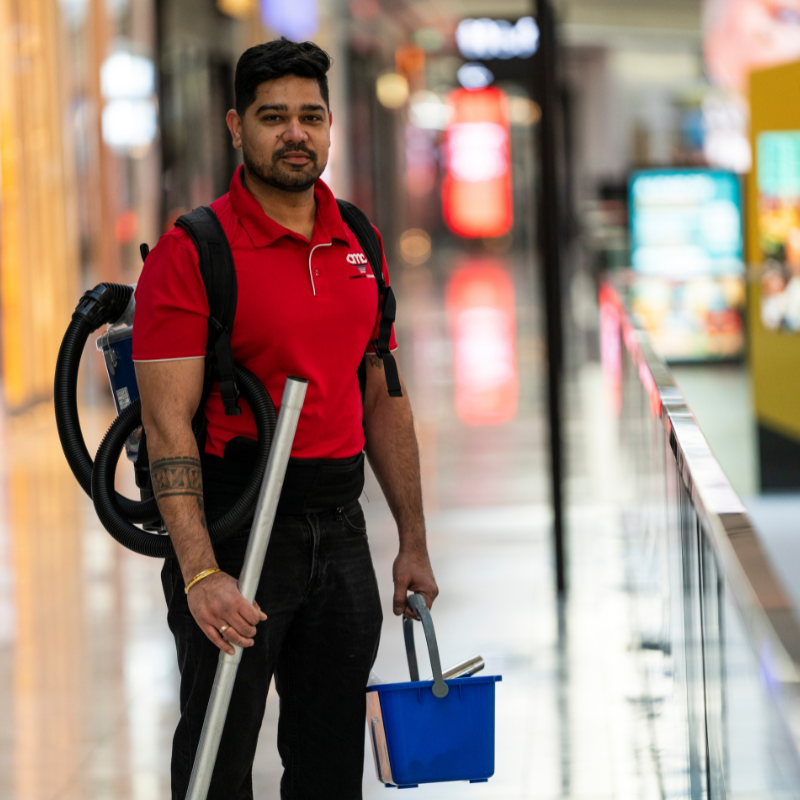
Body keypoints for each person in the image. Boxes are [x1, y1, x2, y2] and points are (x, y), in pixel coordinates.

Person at [132, 38, 438, 800]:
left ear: (331, 125)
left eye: (310, 116)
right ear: (237, 127)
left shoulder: (359, 240)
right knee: (217, 763)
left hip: (339, 531)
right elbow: (167, 427)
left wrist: (413, 541)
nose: (295, 133)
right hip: (240, 529)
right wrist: (200, 571)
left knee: (331, 765)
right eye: (274, 118)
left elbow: (383, 395)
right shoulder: (191, 252)